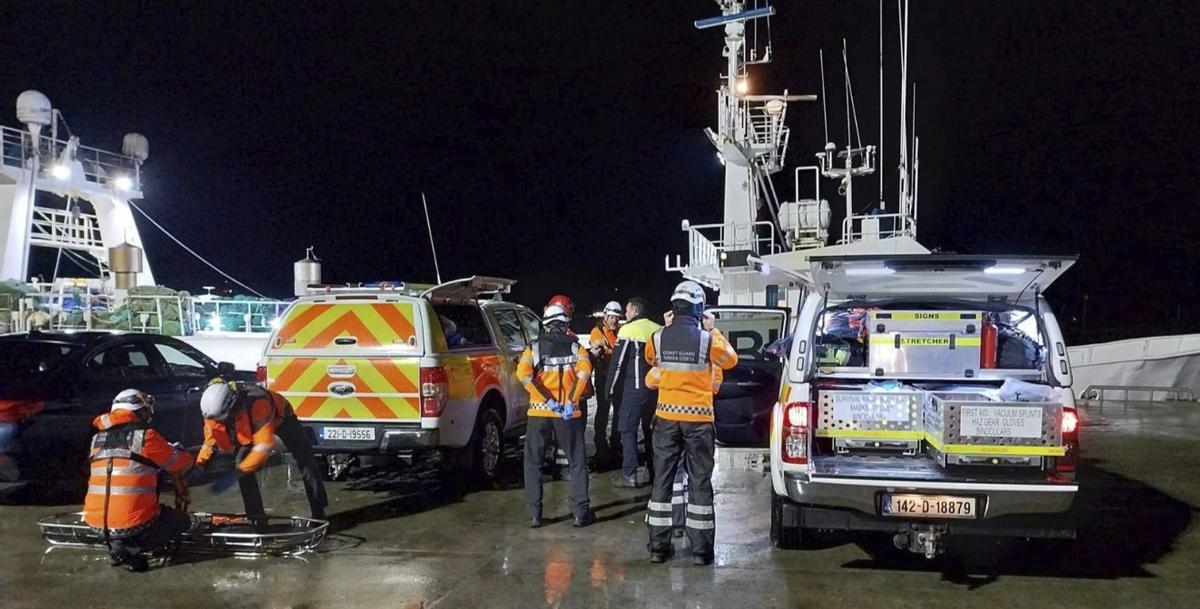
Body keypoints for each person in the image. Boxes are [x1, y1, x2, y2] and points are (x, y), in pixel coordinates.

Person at [643, 281, 738, 565]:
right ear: (700, 309)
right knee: (699, 482)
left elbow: (651, 359)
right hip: (698, 422)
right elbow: (730, 360)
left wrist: (665, 329)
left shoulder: (658, 338)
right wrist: (713, 330)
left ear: (673, 307)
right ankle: (701, 551)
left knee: (663, 480)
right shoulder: (707, 339)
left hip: (666, 419)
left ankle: (658, 547)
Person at [83, 389, 195, 572]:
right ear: (139, 411)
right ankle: (129, 548)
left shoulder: (97, 439)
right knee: (182, 522)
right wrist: (182, 454)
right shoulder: (146, 436)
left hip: (95, 522)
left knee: (148, 473)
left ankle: (123, 545)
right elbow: (181, 465)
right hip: (130, 524)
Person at [194, 380, 328, 520]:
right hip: (251, 425)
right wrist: (200, 464)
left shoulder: (259, 404)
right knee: (241, 462)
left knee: (306, 460)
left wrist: (236, 474)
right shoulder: (213, 413)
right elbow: (210, 442)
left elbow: (263, 447)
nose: (217, 422)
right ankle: (256, 517)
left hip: (282, 419)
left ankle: (319, 511)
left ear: (231, 407)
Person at [517, 304, 595, 528]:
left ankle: (534, 514)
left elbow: (523, 375)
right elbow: (585, 372)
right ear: (565, 325)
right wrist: (571, 401)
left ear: (546, 324)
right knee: (577, 462)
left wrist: (545, 399)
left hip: (539, 413)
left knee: (533, 462)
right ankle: (580, 513)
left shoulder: (534, 348)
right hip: (568, 415)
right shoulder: (577, 348)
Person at [605, 297, 661, 488]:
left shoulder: (628, 330)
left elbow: (617, 364)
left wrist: (610, 389)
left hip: (634, 390)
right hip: (654, 391)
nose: (625, 315)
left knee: (627, 429)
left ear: (635, 312)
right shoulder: (657, 329)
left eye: (627, 311)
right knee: (650, 431)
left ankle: (630, 474)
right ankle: (655, 473)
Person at [588, 300, 623, 467]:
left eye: (617, 318)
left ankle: (616, 440)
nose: (615, 321)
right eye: (612, 317)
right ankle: (600, 443)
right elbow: (595, 344)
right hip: (604, 378)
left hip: (618, 378)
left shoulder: (620, 331)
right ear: (606, 316)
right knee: (603, 411)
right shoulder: (597, 331)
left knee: (619, 411)